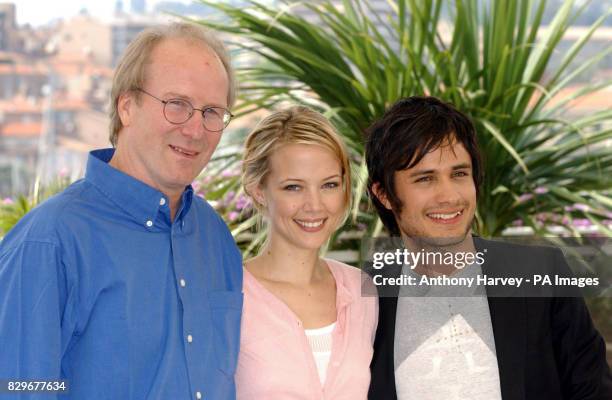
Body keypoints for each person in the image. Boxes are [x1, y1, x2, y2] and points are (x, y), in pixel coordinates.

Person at [0, 23, 242, 399]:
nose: (196, 129)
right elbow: (18, 387)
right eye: (177, 105)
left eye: (212, 112)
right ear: (127, 107)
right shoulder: (48, 243)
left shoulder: (215, 237)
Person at [365, 96, 612, 399]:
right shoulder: (362, 297)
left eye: (459, 174)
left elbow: (593, 390)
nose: (450, 196)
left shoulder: (540, 275)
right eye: (425, 178)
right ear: (384, 194)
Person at [236, 106, 378, 399]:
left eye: (329, 185)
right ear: (259, 190)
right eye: (293, 187)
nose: (314, 205)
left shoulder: (362, 291)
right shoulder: (229, 295)